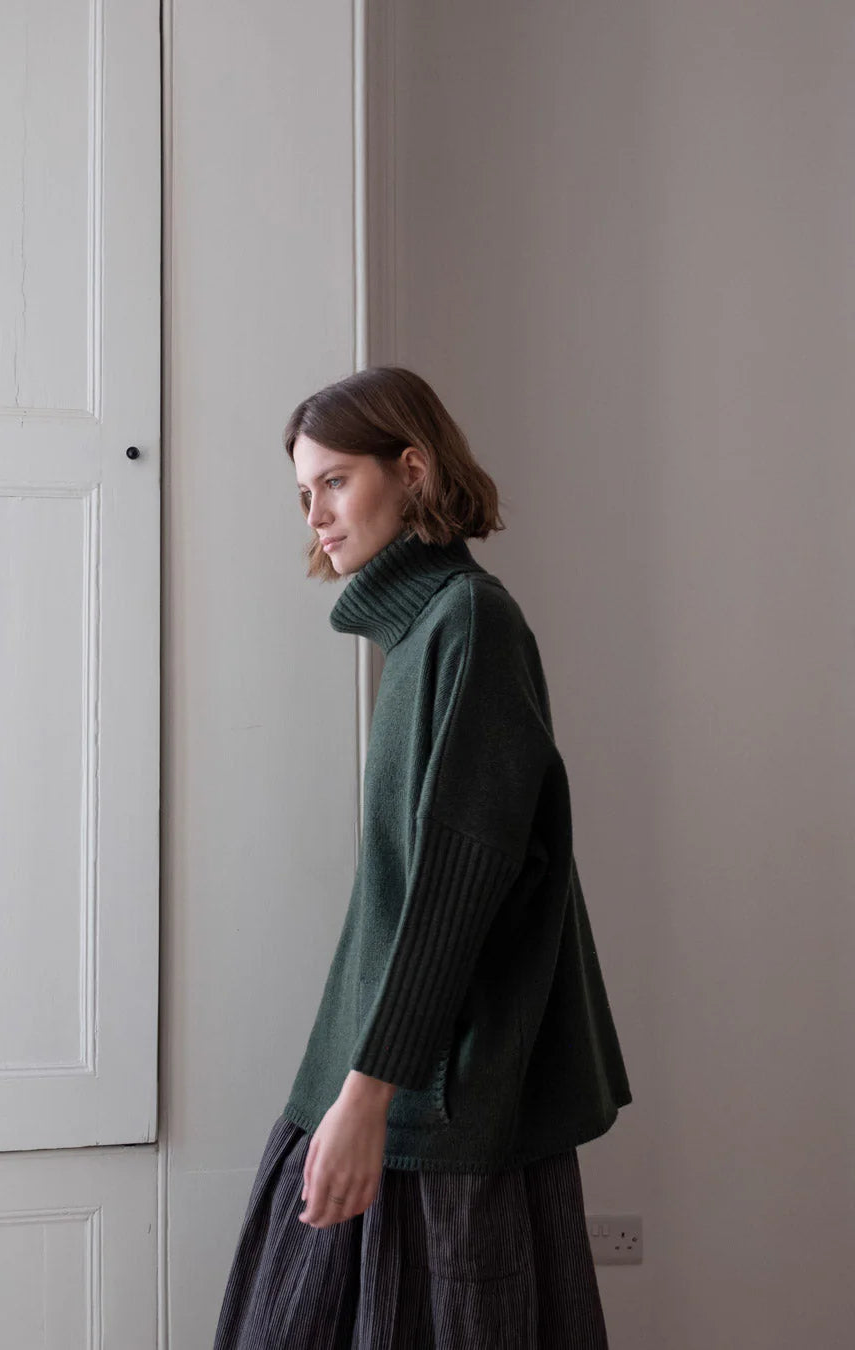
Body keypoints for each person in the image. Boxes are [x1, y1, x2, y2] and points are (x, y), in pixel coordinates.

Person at [212, 366, 632, 1349]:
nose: (314, 513)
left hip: (432, 1099)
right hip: (397, 1078)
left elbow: (455, 888)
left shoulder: (472, 627)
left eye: (334, 482)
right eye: (303, 493)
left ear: (411, 468)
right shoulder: (421, 638)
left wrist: (367, 1097)